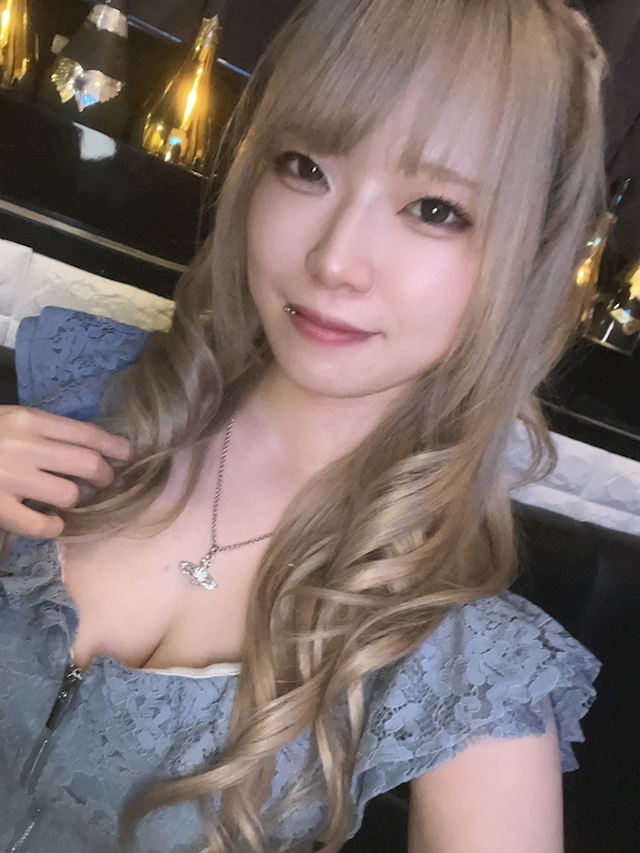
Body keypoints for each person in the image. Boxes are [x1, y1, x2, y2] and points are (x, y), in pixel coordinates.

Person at [0, 0, 607, 851]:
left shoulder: (467, 666)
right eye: (305, 166)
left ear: (530, 258)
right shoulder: (74, 391)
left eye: (436, 209)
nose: (334, 260)